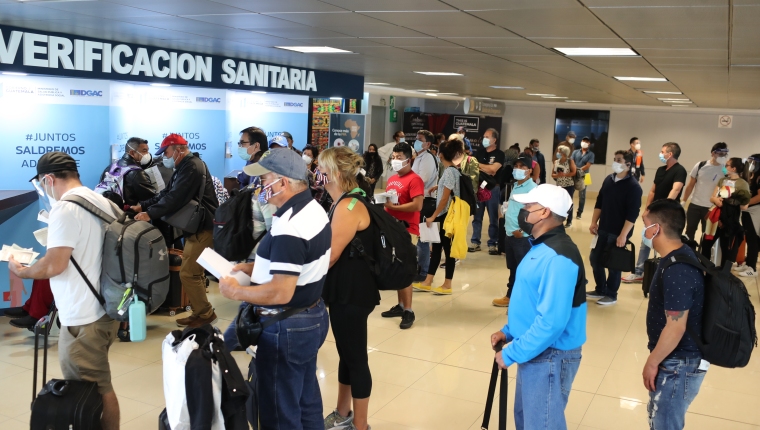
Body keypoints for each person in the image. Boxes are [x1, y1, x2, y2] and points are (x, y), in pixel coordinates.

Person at [218, 149, 331, 430]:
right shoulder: (310, 208)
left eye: (264, 179)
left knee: (279, 413)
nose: (259, 187)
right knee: (305, 399)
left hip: (286, 326)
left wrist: (236, 292)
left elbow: (281, 292)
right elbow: (297, 266)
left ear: (282, 182)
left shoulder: (291, 227)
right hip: (311, 316)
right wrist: (254, 269)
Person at [10, 152, 121, 430]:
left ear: (48, 179)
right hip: (106, 306)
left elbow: (55, 265)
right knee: (98, 381)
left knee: (95, 386)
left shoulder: (65, 208)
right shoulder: (100, 200)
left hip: (82, 315)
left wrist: (22, 271)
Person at [490, 184, 586, 430]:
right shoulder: (541, 248)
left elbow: (552, 322)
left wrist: (511, 353)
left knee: (541, 425)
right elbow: (532, 301)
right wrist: (509, 331)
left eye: (528, 207)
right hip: (535, 349)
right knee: (527, 421)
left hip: (550, 355)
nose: (523, 211)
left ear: (545, 212)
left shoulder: (559, 257)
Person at [319, 147, 379, 430]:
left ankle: (361, 425)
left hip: (351, 293)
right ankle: (343, 412)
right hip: (350, 290)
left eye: (320, 168)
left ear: (333, 172)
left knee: (356, 358)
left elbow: (330, 256)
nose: (316, 173)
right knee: (347, 353)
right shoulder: (351, 199)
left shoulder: (348, 206)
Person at [131, 134, 219, 327]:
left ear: (178, 149)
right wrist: (144, 206)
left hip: (203, 228)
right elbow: (166, 193)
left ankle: (205, 314)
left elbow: (175, 198)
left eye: (167, 152)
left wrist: (149, 214)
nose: (164, 157)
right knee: (193, 272)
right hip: (195, 227)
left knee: (188, 273)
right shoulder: (183, 166)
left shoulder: (192, 166)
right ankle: (200, 312)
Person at [641, 199, 706, 430]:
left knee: (666, 424)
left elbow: (676, 326)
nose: (643, 230)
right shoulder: (678, 254)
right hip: (675, 360)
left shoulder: (678, 269)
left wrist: (652, 361)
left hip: (678, 364)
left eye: (645, 223)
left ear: (655, 228)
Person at [623, 143, 687, 283]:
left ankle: (664, 271)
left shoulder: (680, 170)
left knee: (665, 242)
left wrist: (664, 208)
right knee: (646, 240)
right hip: (655, 211)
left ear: (670, 154)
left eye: (662, 151)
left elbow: (675, 190)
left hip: (668, 213)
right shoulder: (660, 170)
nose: (660, 153)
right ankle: (639, 271)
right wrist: (648, 209)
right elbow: (653, 190)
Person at [587, 151, 642, 306]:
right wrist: (593, 222)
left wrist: (623, 234)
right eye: (615, 159)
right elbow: (599, 202)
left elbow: (632, 214)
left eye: (619, 160)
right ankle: (600, 289)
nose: (615, 163)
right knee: (595, 259)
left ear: (628, 164)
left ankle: (611, 294)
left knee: (613, 264)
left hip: (618, 232)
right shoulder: (608, 180)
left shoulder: (633, 187)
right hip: (603, 228)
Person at [380, 143, 423, 329]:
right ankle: (400, 305)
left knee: (405, 270)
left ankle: (408, 310)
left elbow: (417, 205)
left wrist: (392, 208)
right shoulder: (392, 179)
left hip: (408, 230)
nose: (395, 160)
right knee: (397, 268)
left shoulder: (415, 180)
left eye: (399, 157)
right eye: (394, 157)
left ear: (409, 160)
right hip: (393, 229)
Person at [416, 139, 464, 295]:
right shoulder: (452, 170)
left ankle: (447, 284)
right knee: (436, 249)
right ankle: (428, 281)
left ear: (441, 155)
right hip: (443, 216)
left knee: (447, 251)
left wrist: (433, 216)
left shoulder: (450, 171)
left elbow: (444, 199)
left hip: (446, 217)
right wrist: (438, 186)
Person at [492, 154, 537, 307]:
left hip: (521, 237)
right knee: (513, 268)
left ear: (529, 170)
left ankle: (523, 300)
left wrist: (523, 232)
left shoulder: (532, 189)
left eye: (522, 167)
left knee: (523, 269)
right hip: (510, 234)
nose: (518, 169)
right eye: (516, 166)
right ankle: (511, 296)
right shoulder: (516, 185)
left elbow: (535, 214)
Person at [703, 157, 751, 266]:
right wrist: (716, 199)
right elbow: (712, 197)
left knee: (727, 250)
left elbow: (745, 206)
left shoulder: (742, 184)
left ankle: (722, 276)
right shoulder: (722, 180)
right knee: (705, 245)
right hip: (715, 219)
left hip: (729, 221)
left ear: (733, 169)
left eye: (727, 165)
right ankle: (705, 269)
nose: (725, 167)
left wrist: (729, 202)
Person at [681, 142, 729, 241]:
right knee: (690, 231)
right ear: (713, 153)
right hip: (695, 204)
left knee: (707, 234)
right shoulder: (700, 165)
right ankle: (689, 253)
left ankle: (703, 254)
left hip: (711, 207)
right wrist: (684, 201)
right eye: (720, 154)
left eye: (724, 154)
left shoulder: (725, 170)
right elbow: (690, 185)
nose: (723, 157)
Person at [469, 128, 505, 255]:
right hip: (479, 187)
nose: (484, 139)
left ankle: (493, 242)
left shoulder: (500, 154)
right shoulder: (479, 152)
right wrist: (485, 167)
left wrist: (479, 165)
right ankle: (475, 241)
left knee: (493, 217)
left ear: (494, 140)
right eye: (484, 136)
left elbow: (493, 170)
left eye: (487, 136)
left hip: (493, 188)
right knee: (477, 216)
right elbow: (472, 167)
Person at [99, 137, 156, 208]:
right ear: (132, 153)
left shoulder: (110, 167)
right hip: (131, 216)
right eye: (144, 151)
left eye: (147, 151)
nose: (147, 154)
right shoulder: (137, 173)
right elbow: (152, 200)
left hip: (110, 213)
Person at [412, 130, 439, 282]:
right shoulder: (419, 158)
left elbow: (420, 180)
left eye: (419, 139)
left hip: (427, 201)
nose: (416, 141)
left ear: (427, 143)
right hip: (420, 200)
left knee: (423, 238)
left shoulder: (427, 158)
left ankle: (424, 271)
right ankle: (421, 268)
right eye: (416, 139)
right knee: (420, 237)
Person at [736, 154, 760, 277]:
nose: (751, 165)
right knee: (749, 238)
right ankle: (748, 263)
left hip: (755, 212)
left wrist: (746, 202)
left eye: (754, 163)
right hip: (747, 211)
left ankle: (752, 268)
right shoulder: (752, 176)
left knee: (753, 240)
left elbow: (759, 197)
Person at [552, 145, 577, 228]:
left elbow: (574, 172)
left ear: (563, 153)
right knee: (559, 203)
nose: (557, 153)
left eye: (559, 151)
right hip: (559, 186)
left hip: (569, 185)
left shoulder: (570, 161)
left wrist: (565, 174)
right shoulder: (556, 162)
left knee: (569, 203)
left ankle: (569, 220)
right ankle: (559, 220)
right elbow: (553, 174)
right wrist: (558, 175)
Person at [571, 137, 595, 220]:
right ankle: (569, 211)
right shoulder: (575, 152)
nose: (584, 142)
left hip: (586, 175)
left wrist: (579, 170)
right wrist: (575, 169)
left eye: (587, 141)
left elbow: (588, 165)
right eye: (583, 141)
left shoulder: (591, 154)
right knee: (570, 193)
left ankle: (579, 213)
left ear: (589, 144)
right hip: (573, 174)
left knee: (582, 195)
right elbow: (572, 161)